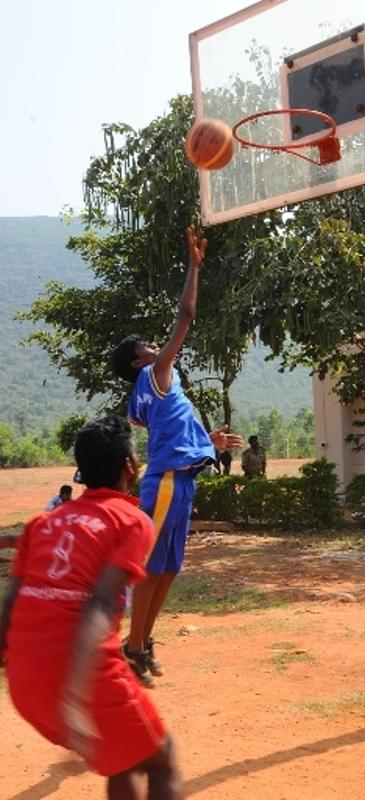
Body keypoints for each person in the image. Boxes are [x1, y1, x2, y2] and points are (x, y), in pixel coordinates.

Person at [0, 415, 183, 800]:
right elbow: (99, 603)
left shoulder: (42, 523)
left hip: (25, 681)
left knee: (122, 759)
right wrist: (76, 694)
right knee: (161, 759)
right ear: (129, 467)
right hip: (81, 676)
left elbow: (13, 601)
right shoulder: (132, 521)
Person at [110, 226, 243, 687]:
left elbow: (169, 431)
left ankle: (142, 644)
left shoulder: (142, 398)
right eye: (146, 346)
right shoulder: (157, 372)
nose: (155, 346)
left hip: (178, 477)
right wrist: (194, 266)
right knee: (151, 568)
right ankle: (131, 648)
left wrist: (209, 442)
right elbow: (186, 314)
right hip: (166, 481)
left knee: (166, 569)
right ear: (137, 361)